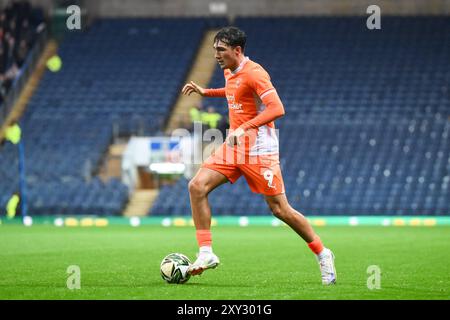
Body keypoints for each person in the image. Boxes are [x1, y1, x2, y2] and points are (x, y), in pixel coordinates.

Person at [181, 26, 337, 285]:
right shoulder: (230, 71)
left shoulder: (256, 73)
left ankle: (322, 253)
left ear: (237, 50)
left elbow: (277, 108)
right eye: (214, 50)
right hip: (234, 147)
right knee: (196, 186)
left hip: (259, 151)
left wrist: (245, 127)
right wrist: (206, 92)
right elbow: (233, 92)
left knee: (280, 210)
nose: (216, 55)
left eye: (221, 50)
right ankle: (206, 253)